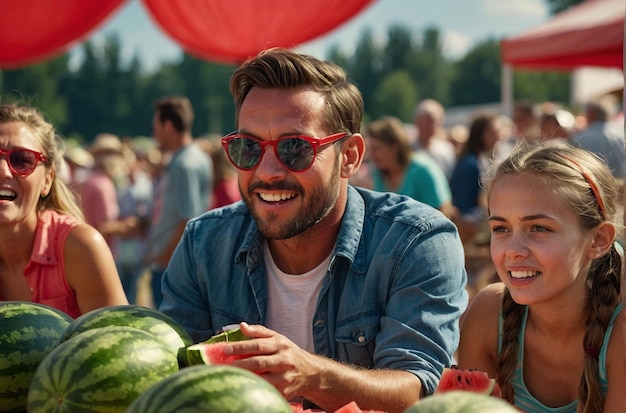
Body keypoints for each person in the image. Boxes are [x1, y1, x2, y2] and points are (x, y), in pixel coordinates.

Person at [159, 48, 468, 413]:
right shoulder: (203, 244)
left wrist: (312, 375)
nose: (268, 171)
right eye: (248, 147)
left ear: (349, 157)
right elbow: (174, 382)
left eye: (295, 148)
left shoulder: (417, 242)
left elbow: (420, 389)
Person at [457, 142, 624, 413]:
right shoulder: (487, 315)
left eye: (539, 228)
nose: (513, 250)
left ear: (598, 240)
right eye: (500, 228)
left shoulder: (620, 335)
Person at [0, 103, 128, 318]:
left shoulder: (80, 248)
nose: (3, 171)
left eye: (21, 160)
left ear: (47, 181)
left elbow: (122, 343)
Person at [146, 96, 213, 308]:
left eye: (156, 126)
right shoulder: (191, 159)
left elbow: (188, 219)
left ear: (168, 125)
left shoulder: (185, 164)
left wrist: (164, 258)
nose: (154, 133)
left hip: (173, 266)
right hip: (176, 262)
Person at [364, 116, 454, 218]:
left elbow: (444, 211)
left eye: (377, 148)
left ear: (395, 146)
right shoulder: (378, 174)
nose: (372, 154)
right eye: (370, 149)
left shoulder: (422, 169)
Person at [449, 112, 506, 244]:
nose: (499, 137)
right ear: (482, 135)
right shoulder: (470, 165)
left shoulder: (481, 160)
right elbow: (464, 209)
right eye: (494, 132)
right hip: (471, 234)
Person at [571, 98, 625, 178]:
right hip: (621, 187)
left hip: (594, 187)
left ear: (591, 114)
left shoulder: (579, 139)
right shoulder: (622, 135)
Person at [412, 99, 456, 179]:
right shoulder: (407, 149)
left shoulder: (447, 149)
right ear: (417, 121)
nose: (432, 126)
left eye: (435, 121)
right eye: (428, 121)